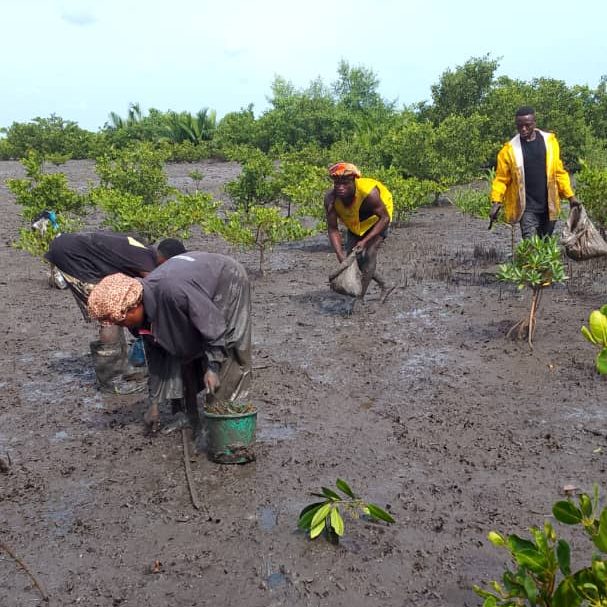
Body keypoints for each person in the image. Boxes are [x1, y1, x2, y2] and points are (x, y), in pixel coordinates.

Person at [86, 251, 252, 437]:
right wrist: (154, 402)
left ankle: (226, 424)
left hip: (226, 280)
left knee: (228, 352)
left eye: (121, 320)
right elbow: (159, 354)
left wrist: (213, 366)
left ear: (134, 306)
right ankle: (188, 417)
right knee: (177, 348)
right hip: (190, 283)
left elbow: (213, 327)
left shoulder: (173, 292)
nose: (122, 326)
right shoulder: (139, 314)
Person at [44, 231, 185, 393]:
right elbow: (157, 294)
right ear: (165, 261)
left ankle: (122, 368)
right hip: (72, 256)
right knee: (110, 312)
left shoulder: (148, 253)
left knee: (119, 307)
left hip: (71, 248)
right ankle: (112, 380)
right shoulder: (149, 263)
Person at [489, 106, 580, 239]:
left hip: (550, 205)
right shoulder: (509, 150)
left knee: (545, 245)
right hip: (526, 208)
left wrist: (570, 196)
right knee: (531, 247)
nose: (523, 129)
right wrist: (496, 201)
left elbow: (559, 172)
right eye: (519, 126)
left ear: (534, 123)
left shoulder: (550, 143)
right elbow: (501, 179)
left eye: (527, 125)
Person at [324, 162, 394, 302]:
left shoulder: (369, 193)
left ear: (354, 181)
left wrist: (365, 241)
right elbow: (332, 228)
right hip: (355, 222)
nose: (340, 187)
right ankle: (385, 284)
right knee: (353, 260)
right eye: (336, 183)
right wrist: (340, 255)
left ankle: (359, 298)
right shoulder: (331, 199)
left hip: (377, 220)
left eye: (345, 183)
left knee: (369, 253)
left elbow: (384, 218)